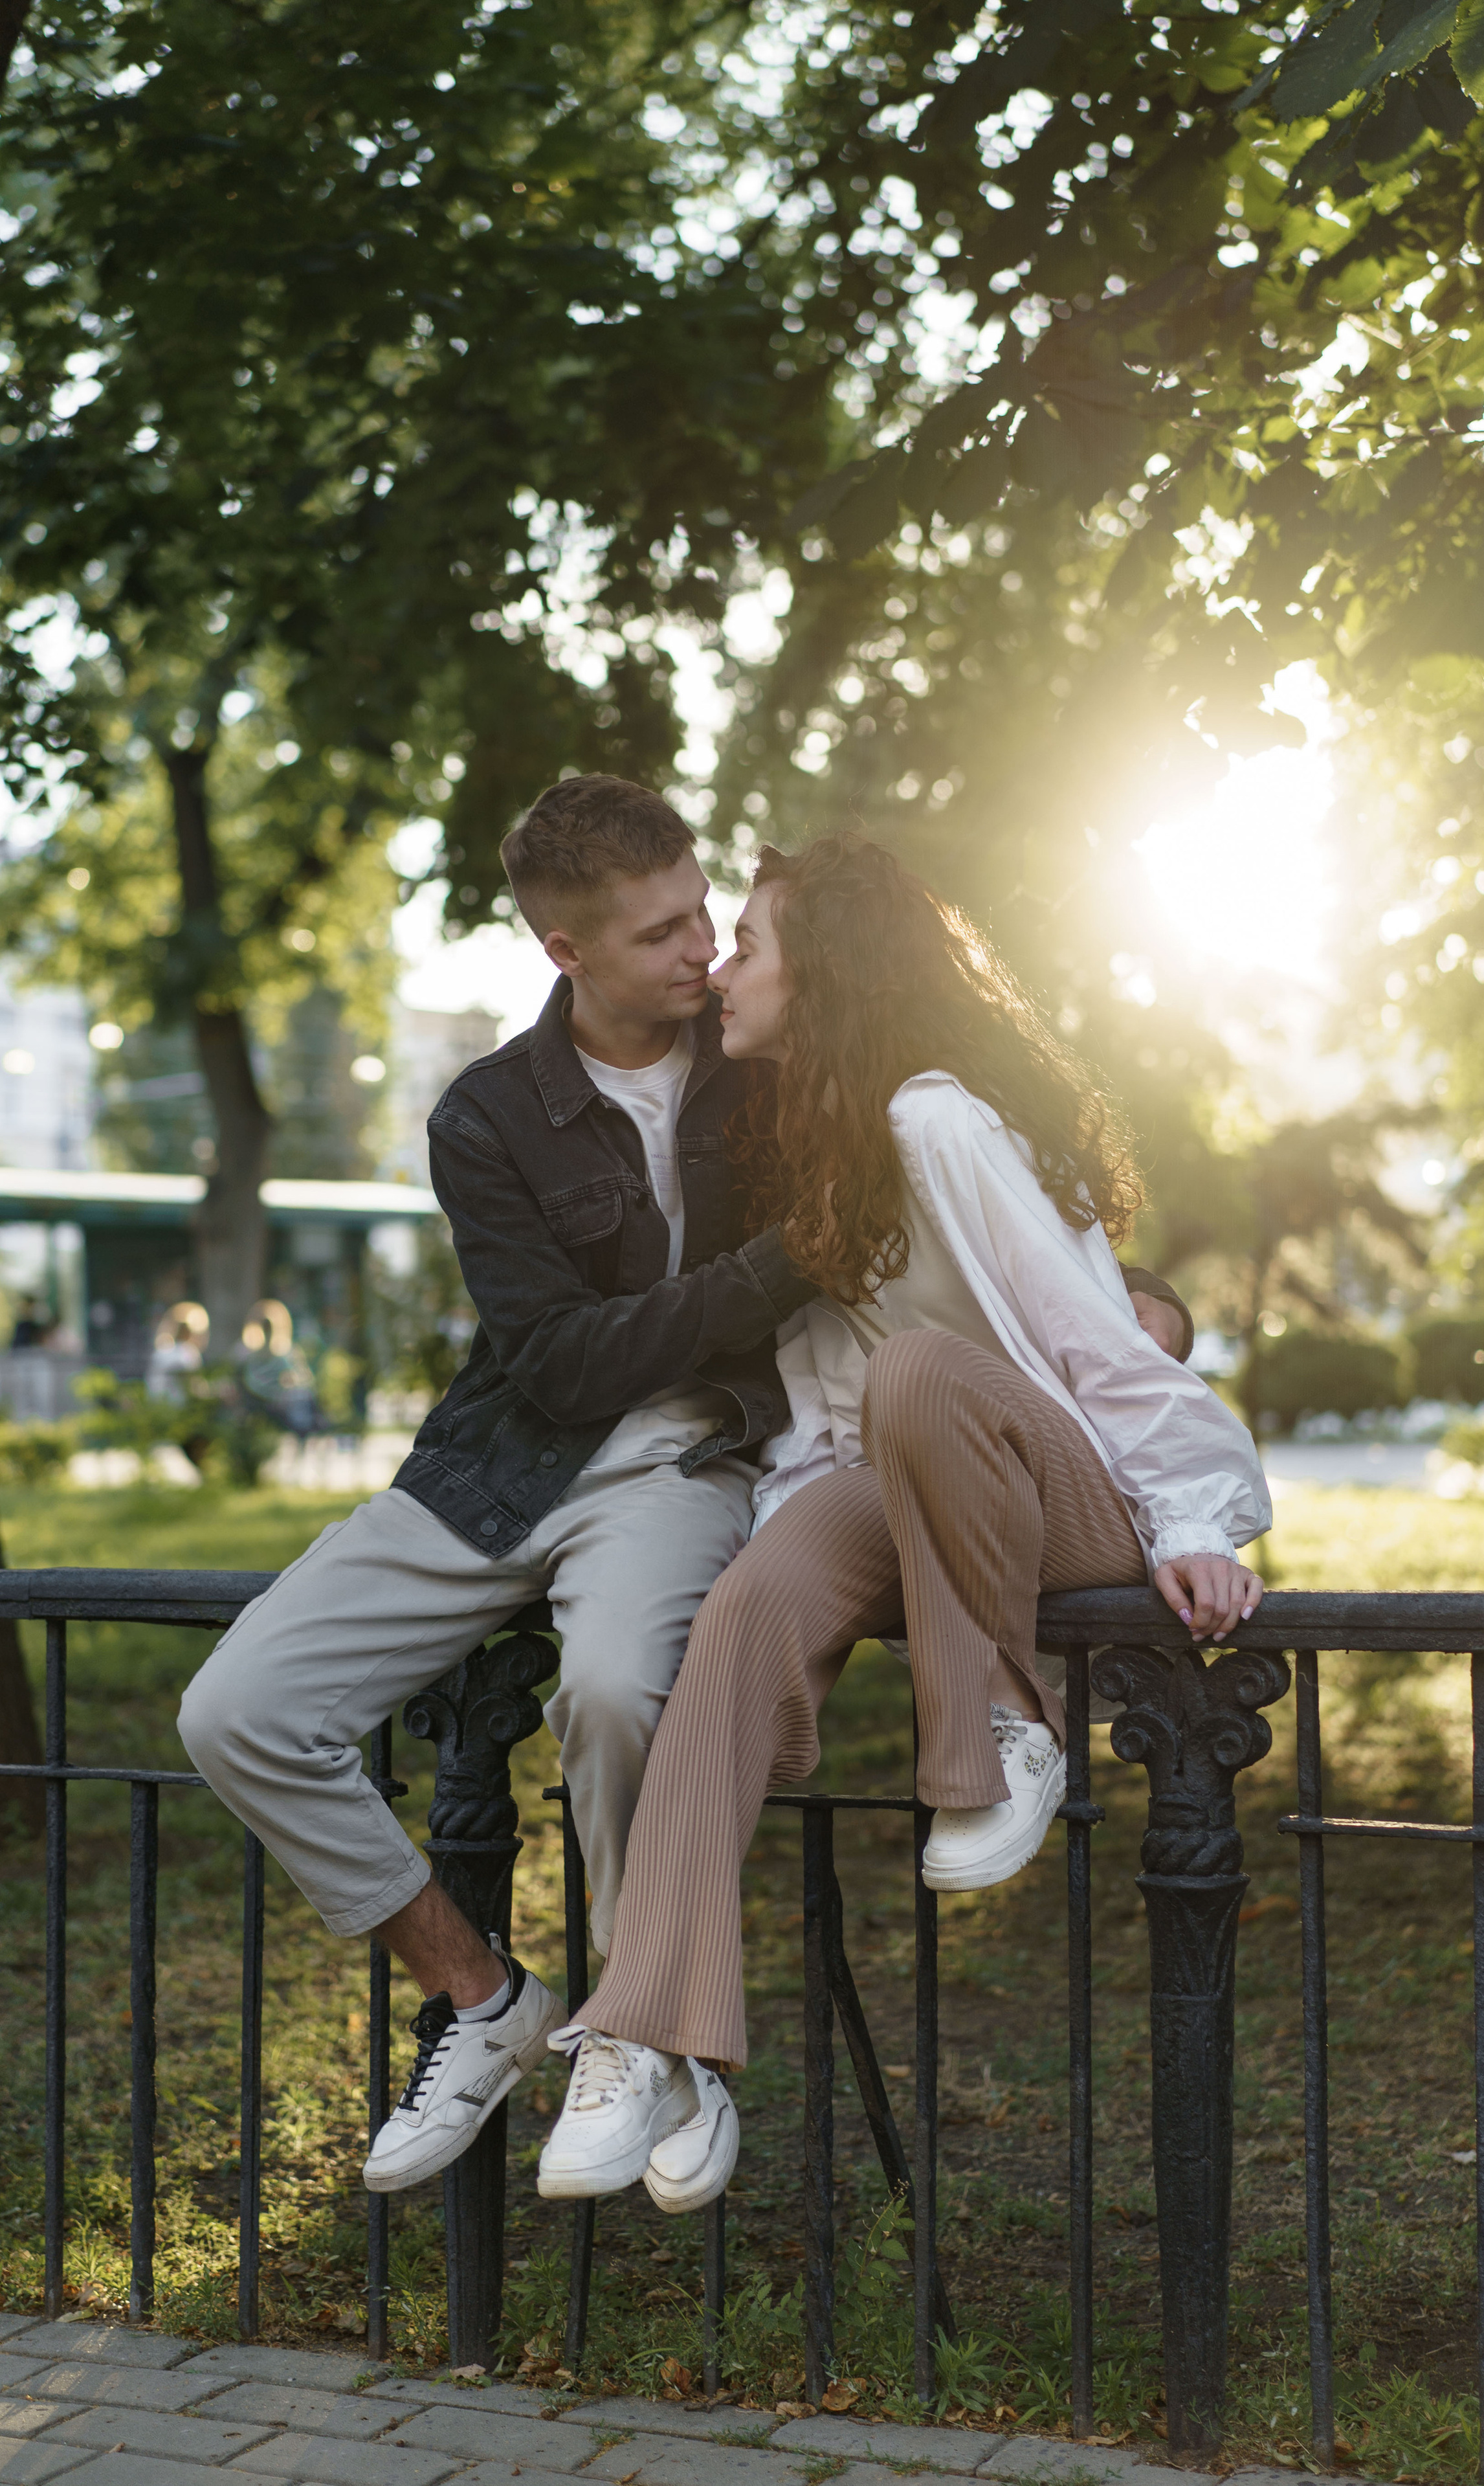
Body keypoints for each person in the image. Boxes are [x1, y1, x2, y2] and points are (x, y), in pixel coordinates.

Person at [176, 778, 1194, 2210]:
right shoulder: (485, 1117)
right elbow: (556, 1359)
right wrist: (784, 1261)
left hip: (700, 1454)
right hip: (503, 1458)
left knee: (608, 1689)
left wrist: (1142, 1310)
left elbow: (982, 1196)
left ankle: (659, 2033)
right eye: (661, 935)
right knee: (235, 1711)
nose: (705, 955)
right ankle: (484, 2005)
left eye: (709, 916)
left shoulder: (772, 1061)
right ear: (562, 953)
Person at [535, 833, 1270, 2213]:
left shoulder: (934, 1115)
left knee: (919, 1374)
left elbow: (1097, 1346)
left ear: (831, 971)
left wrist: (1192, 1517)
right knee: (752, 1603)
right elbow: (823, 1402)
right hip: (901, 1481)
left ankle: (1001, 1738)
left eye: (748, 942)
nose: (720, 967)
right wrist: (803, 1556)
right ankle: (643, 2031)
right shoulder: (807, 1148)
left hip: (1059, 1493)